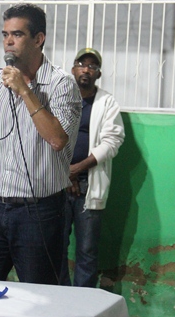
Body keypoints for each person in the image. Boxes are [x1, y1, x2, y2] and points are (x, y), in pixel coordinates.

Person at [0, 3, 82, 285]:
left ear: (38, 39)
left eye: (17, 34)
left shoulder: (61, 84)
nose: (8, 41)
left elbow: (57, 139)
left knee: (40, 296)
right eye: (5, 34)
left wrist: (24, 90)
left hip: (40, 211)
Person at [60, 48, 125, 287]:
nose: (86, 69)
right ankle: (58, 300)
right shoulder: (61, 98)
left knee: (86, 251)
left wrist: (77, 169)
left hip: (90, 183)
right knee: (56, 246)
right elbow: (47, 136)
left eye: (92, 66)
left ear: (98, 74)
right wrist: (66, 171)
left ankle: (83, 305)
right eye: (82, 64)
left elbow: (112, 141)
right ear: (73, 69)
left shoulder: (107, 102)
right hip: (58, 183)